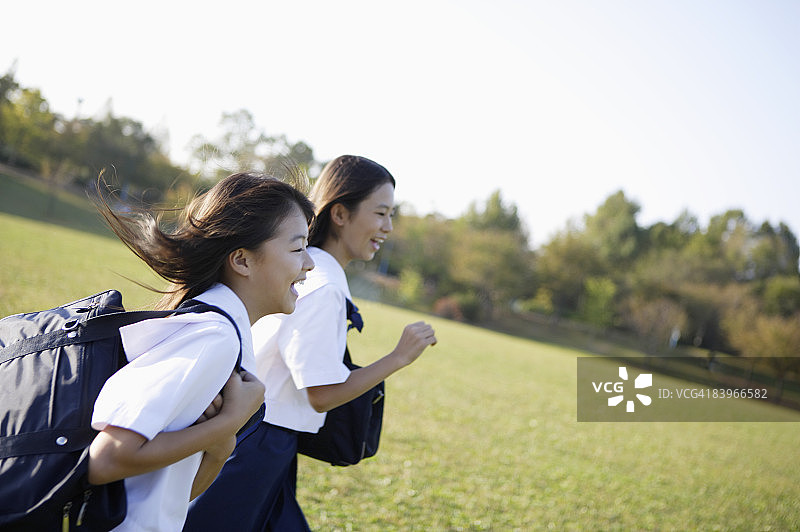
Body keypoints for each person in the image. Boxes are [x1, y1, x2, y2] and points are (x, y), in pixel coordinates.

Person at [185, 155, 438, 531]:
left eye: (391, 215)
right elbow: (320, 393)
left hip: (264, 438)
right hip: (258, 441)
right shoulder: (322, 286)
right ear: (340, 214)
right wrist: (398, 357)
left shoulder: (309, 271)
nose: (387, 227)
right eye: (381, 213)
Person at [88, 172, 316, 531]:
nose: (310, 263)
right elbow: (105, 460)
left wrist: (221, 443)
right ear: (241, 260)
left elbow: (178, 493)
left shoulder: (223, 333)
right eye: (297, 247)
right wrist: (229, 422)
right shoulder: (214, 337)